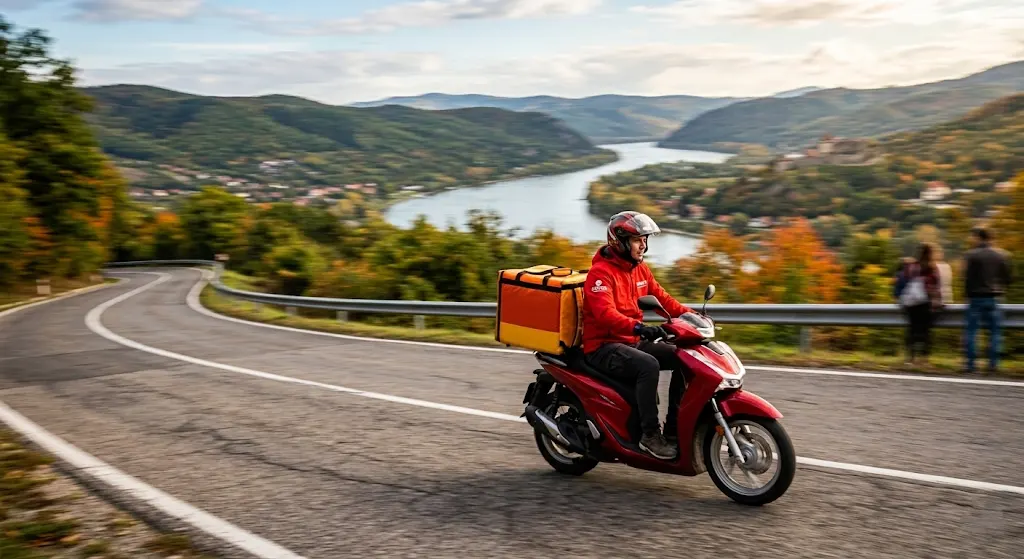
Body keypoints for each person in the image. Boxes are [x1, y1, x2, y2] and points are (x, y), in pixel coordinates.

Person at [581, 211, 693, 460]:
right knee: (648, 366)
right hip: (603, 346)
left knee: (684, 357)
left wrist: (692, 317)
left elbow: (664, 300)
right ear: (619, 242)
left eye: (644, 239)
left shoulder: (640, 269)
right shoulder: (600, 274)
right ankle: (649, 436)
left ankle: (674, 430)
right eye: (637, 240)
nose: (643, 245)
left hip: (630, 340)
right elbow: (605, 315)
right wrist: (639, 328)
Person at [963, 227, 1012, 374]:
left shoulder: (971, 255)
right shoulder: (1002, 255)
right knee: (995, 333)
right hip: (994, 297)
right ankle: (993, 364)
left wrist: (967, 294)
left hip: (976, 298)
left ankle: (971, 365)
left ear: (979, 238)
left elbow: (967, 278)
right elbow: (1007, 278)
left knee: (972, 332)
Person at [899, 244, 942, 364]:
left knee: (912, 329)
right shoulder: (933, 267)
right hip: (926, 302)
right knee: (926, 330)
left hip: (912, 302)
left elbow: (904, 279)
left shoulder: (912, 266)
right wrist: (938, 301)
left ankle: (910, 358)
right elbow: (937, 285)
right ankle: (924, 358)